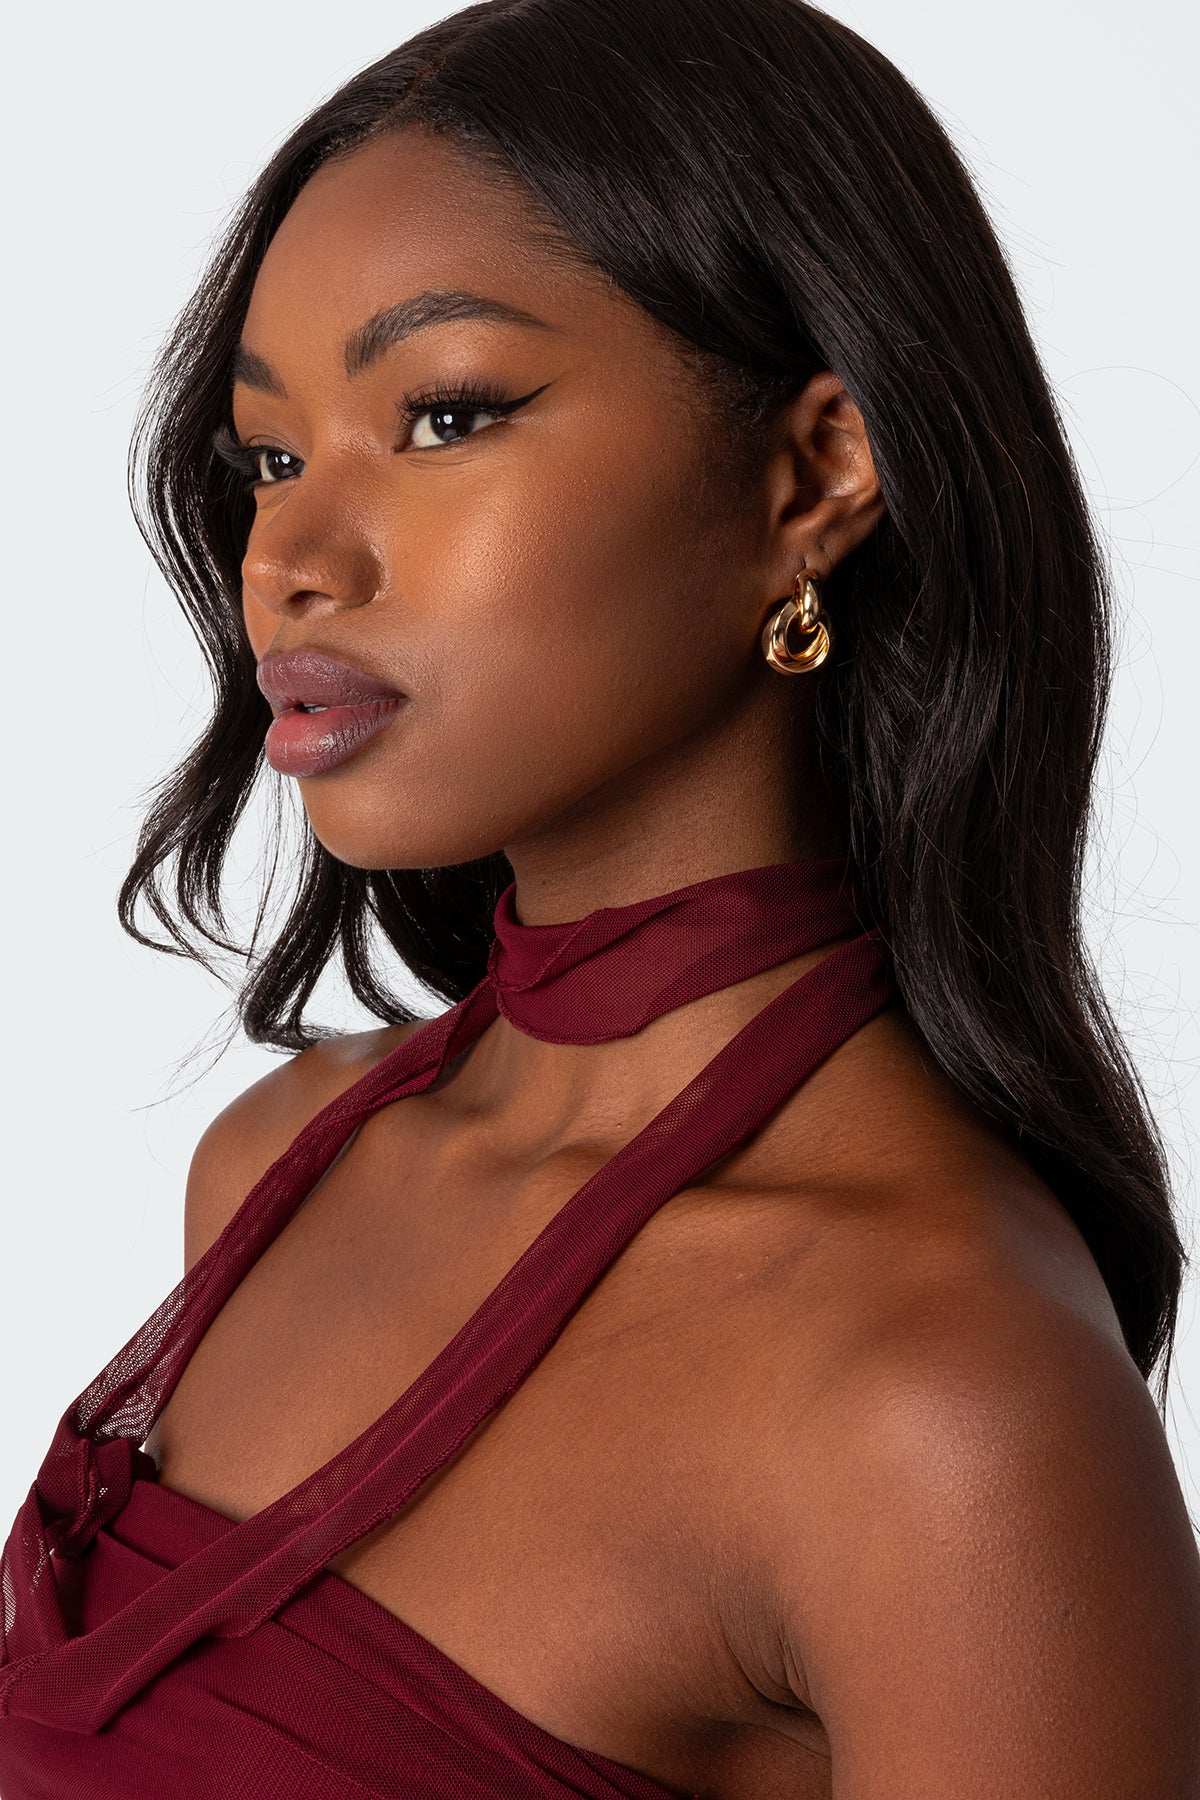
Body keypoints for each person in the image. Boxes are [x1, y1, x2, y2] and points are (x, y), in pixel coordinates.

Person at [1, 0, 1197, 1794]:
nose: (289, 560)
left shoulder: (936, 1396)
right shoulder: (279, 1166)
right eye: (270, 455)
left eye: (444, 415)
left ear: (815, 474)